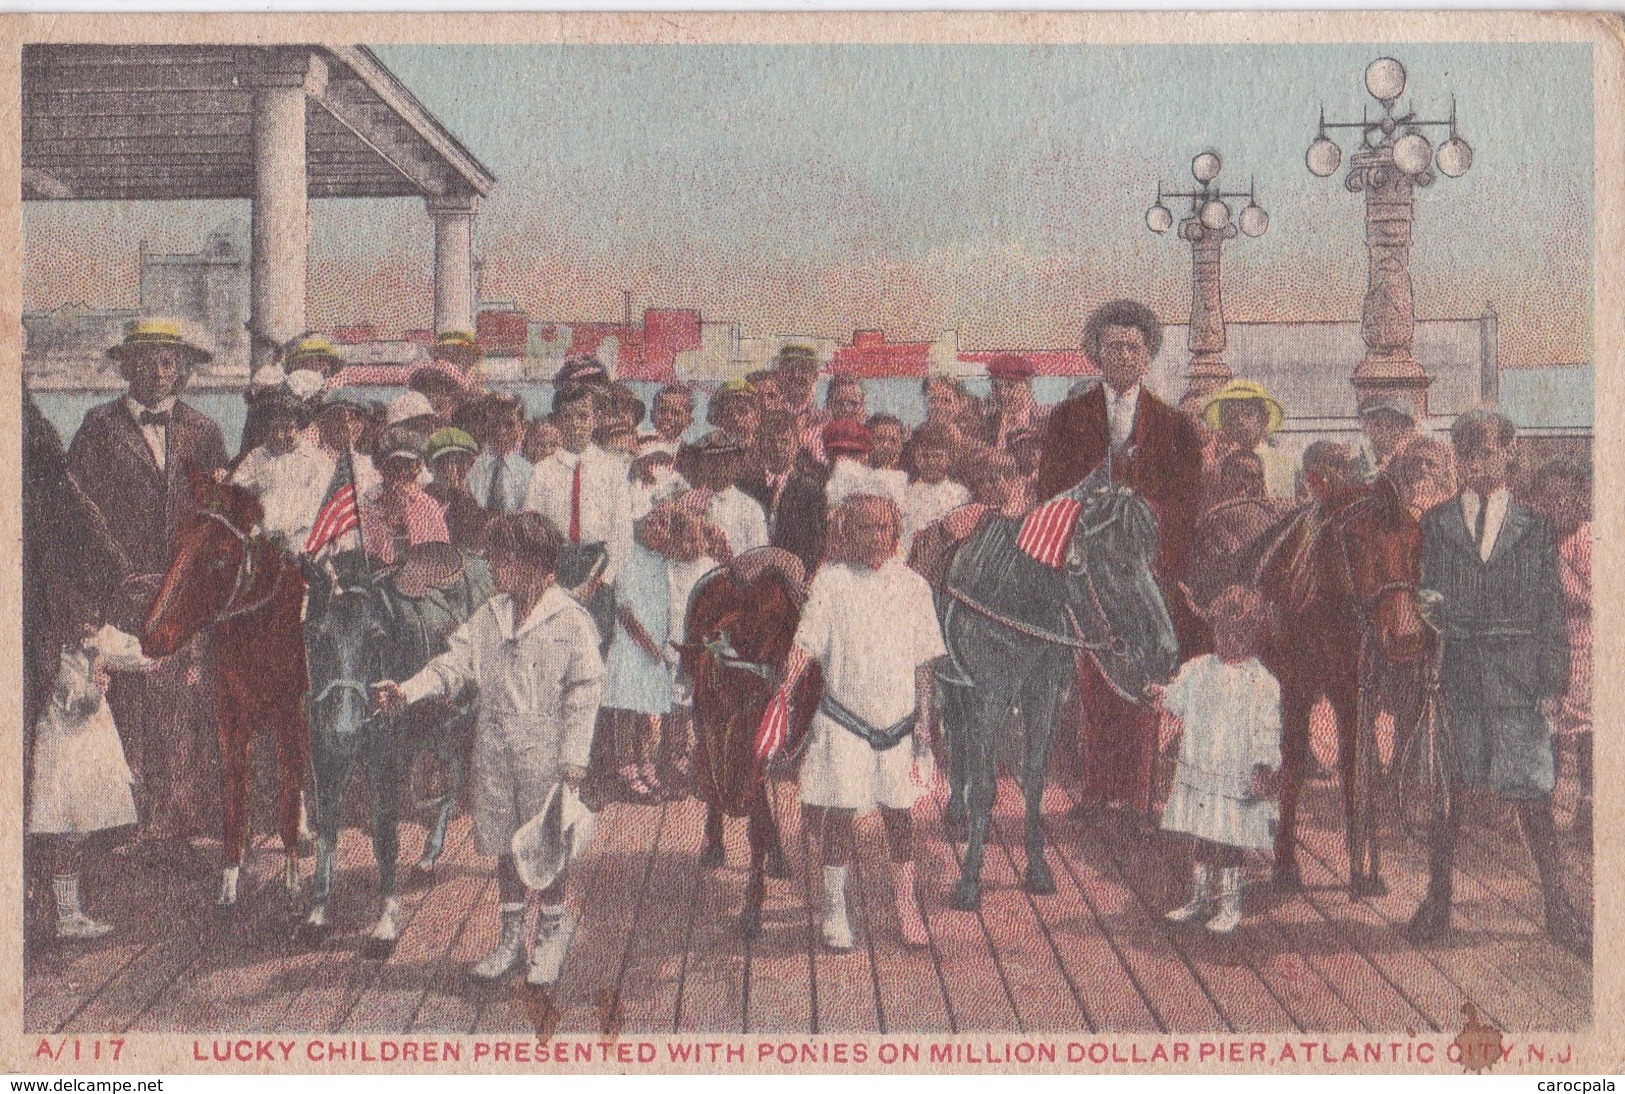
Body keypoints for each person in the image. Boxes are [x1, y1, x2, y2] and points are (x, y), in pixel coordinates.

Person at [374, 513, 604, 985]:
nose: (493, 568)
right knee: (503, 844)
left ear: (534, 565)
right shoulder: (491, 615)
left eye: (501, 559)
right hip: (495, 746)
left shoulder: (571, 621)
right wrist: (408, 690)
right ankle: (511, 937)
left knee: (546, 848)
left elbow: (585, 690)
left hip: (547, 750)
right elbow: (453, 665)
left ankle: (549, 939)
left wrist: (574, 760)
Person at [1408, 409, 1586, 957]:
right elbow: (1426, 597)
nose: (1476, 465)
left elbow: (1549, 605)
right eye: (1466, 456)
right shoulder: (1437, 524)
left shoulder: (1534, 526)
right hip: (1459, 673)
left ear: (1508, 453)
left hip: (1516, 678)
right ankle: (1437, 902)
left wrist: (1554, 677)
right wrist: (1435, 648)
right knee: (1450, 794)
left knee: (1532, 791)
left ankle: (1557, 907)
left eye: (1486, 454)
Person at [1037, 300, 1205, 820]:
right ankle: (1098, 788)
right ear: (1096, 355)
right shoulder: (1067, 418)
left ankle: (1142, 792)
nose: (1124, 356)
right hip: (1086, 572)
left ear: (1149, 354)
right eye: (1113, 347)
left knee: (1152, 674)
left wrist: (1143, 531)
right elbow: (1050, 493)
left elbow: (1188, 503)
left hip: (1150, 571)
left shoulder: (1175, 425)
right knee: (1094, 679)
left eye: (1133, 347)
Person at [758, 494, 943, 951]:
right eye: (865, 528)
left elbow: (925, 664)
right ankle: (834, 910)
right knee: (838, 816)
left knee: (900, 818)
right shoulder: (832, 580)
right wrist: (786, 684)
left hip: (897, 725)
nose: (876, 537)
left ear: (895, 533)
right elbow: (809, 639)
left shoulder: (914, 587)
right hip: (844, 722)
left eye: (883, 528)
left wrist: (924, 723)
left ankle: (906, 906)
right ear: (846, 534)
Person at [67, 319, 228, 846]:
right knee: (129, 704)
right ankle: (133, 821)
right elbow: (74, 512)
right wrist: (101, 582)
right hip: (122, 589)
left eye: (167, 362)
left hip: (185, 591)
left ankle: (179, 820)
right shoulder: (97, 428)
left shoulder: (204, 432)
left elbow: (217, 517)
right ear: (126, 367)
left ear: (180, 369)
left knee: (183, 700)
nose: (158, 373)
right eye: (146, 362)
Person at [1154, 585, 1282, 935]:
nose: (1228, 640)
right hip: (1202, 772)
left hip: (1234, 776)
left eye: (1238, 633)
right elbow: (1178, 699)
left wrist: (1262, 766)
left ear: (1252, 636)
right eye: (1222, 631)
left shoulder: (1262, 682)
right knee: (1203, 839)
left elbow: (1268, 728)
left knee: (1229, 843)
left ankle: (1230, 905)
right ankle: (1198, 899)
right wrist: (1162, 696)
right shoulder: (1199, 669)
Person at [29, 606, 154, 938]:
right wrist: (96, 681)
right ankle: (67, 917)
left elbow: (140, 654)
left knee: (78, 833)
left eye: (92, 621)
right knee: (70, 829)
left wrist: (156, 653)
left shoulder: (99, 641)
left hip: (89, 748)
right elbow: (80, 704)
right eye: (81, 621)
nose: (88, 626)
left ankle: (71, 913)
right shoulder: (58, 656)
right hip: (66, 750)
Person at [1532, 456, 1593, 839]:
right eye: (1548, 500)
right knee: (1550, 723)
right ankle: (1550, 807)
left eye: (1563, 498)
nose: (1556, 507)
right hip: (1552, 642)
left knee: (1586, 725)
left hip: (1585, 640)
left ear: (1578, 497)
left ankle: (1587, 806)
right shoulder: (1542, 540)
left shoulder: (1588, 537)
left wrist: (1562, 594)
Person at [524, 384, 634, 588]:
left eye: (583, 416)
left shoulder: (612, 469)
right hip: (554, 566)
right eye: (567, 417)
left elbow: (622, 533)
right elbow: (532, 528)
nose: (575, 425)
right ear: (557, 421)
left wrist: (603, 579)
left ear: (595, 419)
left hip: (599, 567)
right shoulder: (542, 471)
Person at [231, 378, 334, 555]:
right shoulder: (256, 457)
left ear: (299, 427)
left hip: (303, 543)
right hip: (261, 543)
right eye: (275, 428)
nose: (280, 435)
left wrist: (294, 535)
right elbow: (237, 494)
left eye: (287, 429)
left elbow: (319, 505)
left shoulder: (317, 460)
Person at [741, 411, 827, 573]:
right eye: (770, 442)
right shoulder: (747, 485)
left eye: (784, 442)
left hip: (794, 576)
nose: (777, 448)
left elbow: (816, 545)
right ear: (760, 444)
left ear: (796, 445)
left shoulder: (811, 490)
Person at [359, 428, 451, 567]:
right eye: (395, 469)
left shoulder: (428, 507)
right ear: (384, 472)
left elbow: (442, 556)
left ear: (416, 470)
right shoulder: (369, 508)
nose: (400, 476)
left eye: (407, 468)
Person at [1201, 380, 1297, 500]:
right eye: (1232, 415)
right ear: (1224, 424)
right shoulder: (1215, 469)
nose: (1240, 421)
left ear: (1264, 418)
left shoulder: (1287, 464)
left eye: (1248, 414)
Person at [681, 431, 769, 558]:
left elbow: (759, 556)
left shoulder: (750, 508)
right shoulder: (686, 502)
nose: (720, 468)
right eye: (712, 462)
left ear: (736, 464)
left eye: (726, 461)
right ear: (701, 465)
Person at [900, 424, 970, 555]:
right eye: (925, 456)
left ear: (948, 458)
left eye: (937, 456)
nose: (931, 462)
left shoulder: (960, 494)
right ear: (916, 458)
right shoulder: (906, 493)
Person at [423, 427, 490, 550]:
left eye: (463, 461)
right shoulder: (423, 500)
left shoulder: (472, 504)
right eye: (445, 462)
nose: (453, 469)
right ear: (434, 466)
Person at [468, 393, 533, 514]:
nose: (501, 431)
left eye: (509, 425)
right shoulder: (473, 469)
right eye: (495, 424)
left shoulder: (528, 473)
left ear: (523, 428)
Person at [984, 354, 1049, 451]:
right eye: (996, 387)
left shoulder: (1044, 421)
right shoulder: (987, 423)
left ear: (1027, 388)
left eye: (1010, 386)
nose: (1002, 393)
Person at [643, 383, 697, 454]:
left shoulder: (691, 455)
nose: (668, 417)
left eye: (676, 413)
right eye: (662, 410)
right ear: (652, 415)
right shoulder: (639, 444)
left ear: (688, 421)